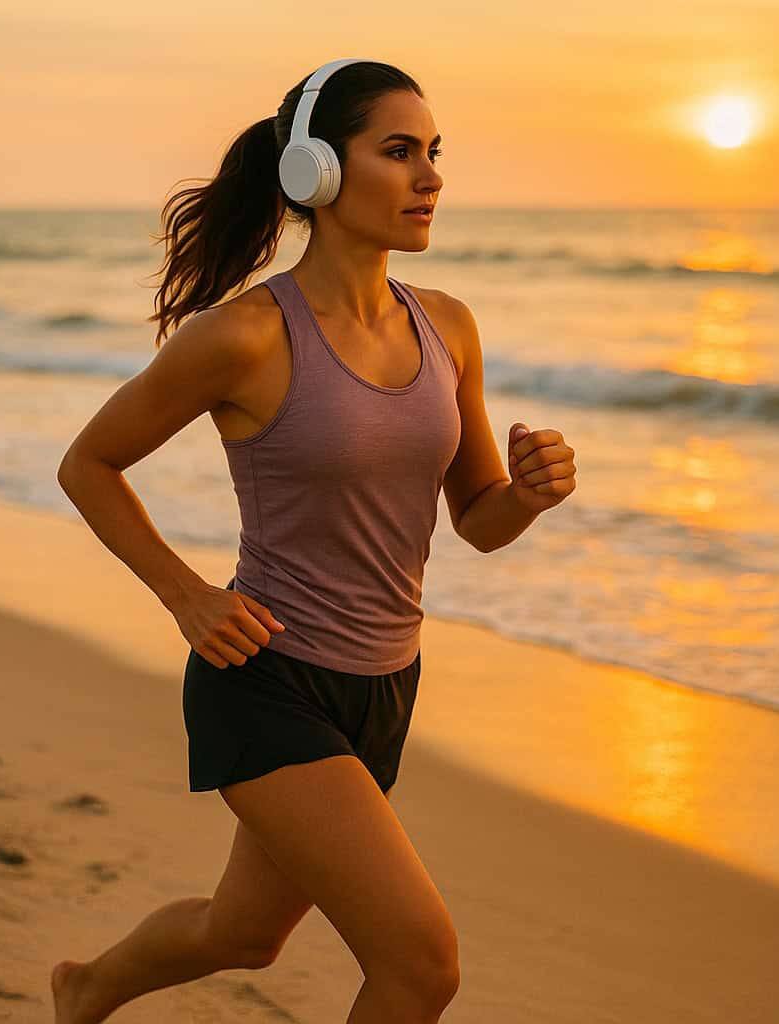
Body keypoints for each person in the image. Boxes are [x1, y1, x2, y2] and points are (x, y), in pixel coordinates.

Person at [52, 58, 576, 1024]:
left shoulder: (449, 327)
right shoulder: (246, 336)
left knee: (241, 934)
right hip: (267, 680)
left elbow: (478, 519)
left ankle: (86, 990)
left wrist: (529, 497)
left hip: (384, 686)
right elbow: (88, 464)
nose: (430, 177)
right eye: (398, 151)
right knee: (422, 965)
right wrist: (188, 596)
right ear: (316, 175)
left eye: (434, 153)